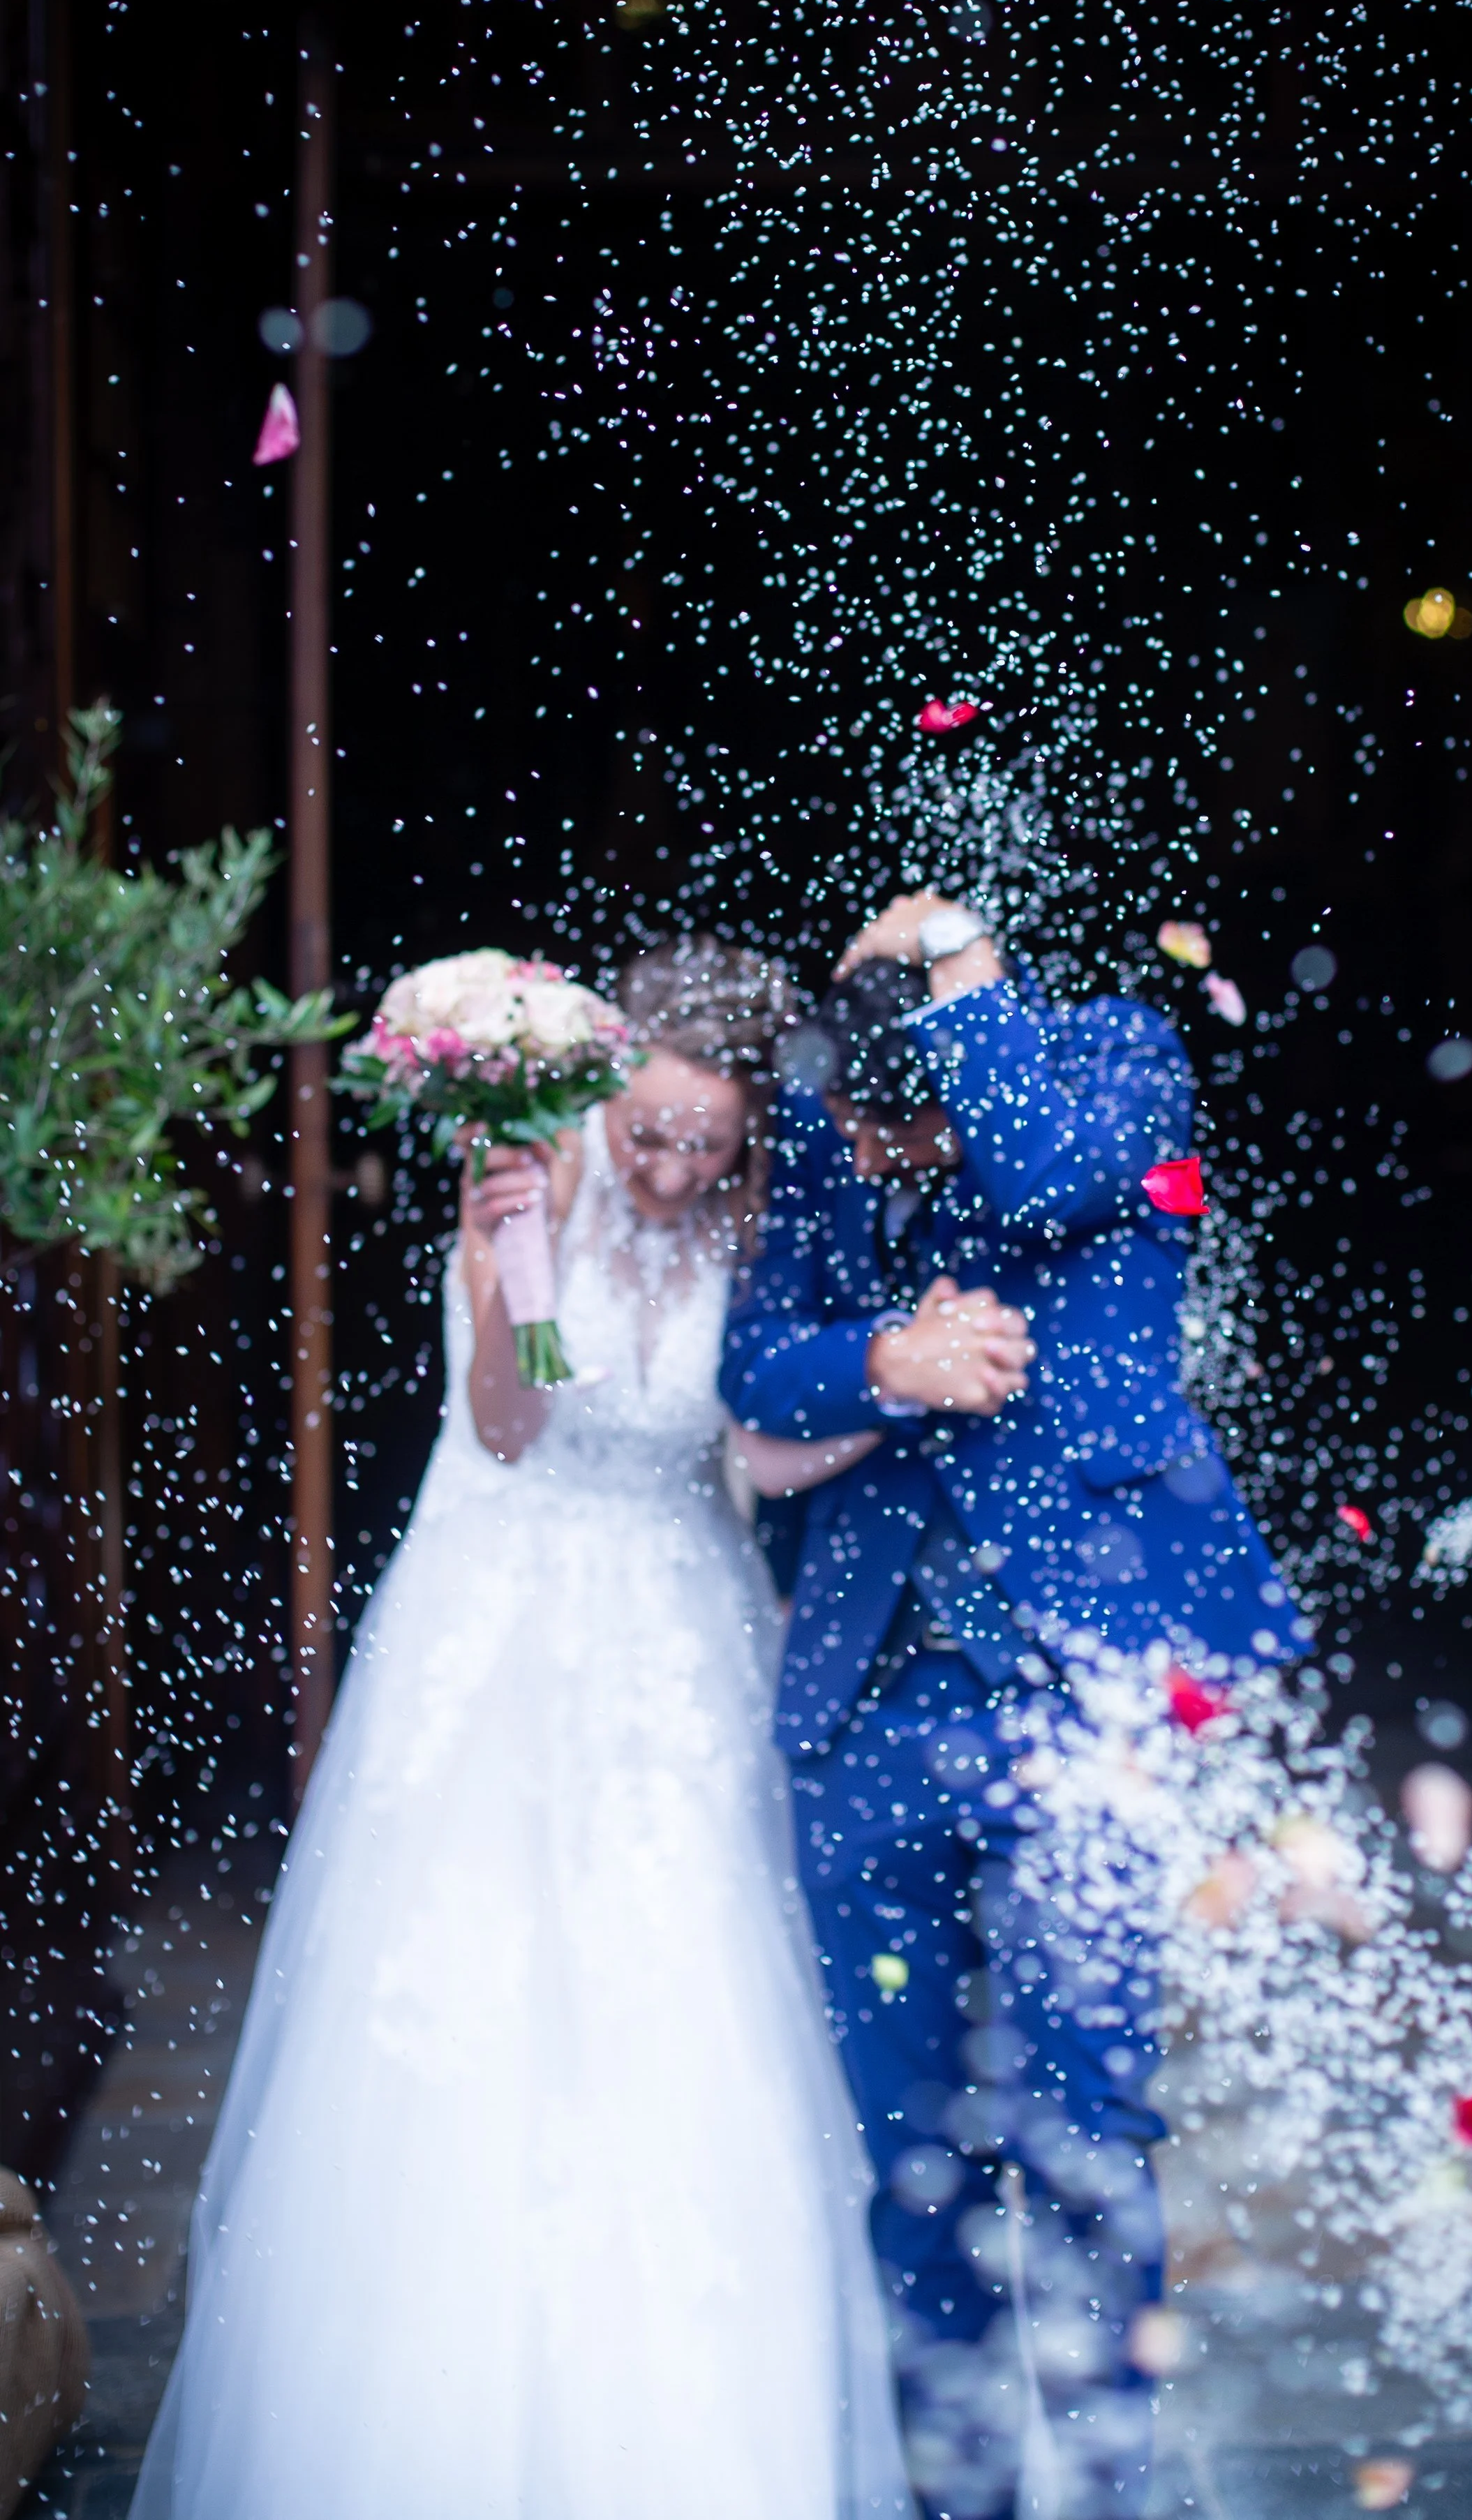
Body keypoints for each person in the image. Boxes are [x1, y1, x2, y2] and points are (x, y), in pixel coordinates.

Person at [131, 937, 913, 2520]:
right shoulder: (530, 1187)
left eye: (711, 1140)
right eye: (654, 1132)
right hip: (505, 1617)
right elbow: (509, 1420)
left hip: (682, 1635)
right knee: (473, 1983)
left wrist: (898, 1394)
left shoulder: (757, 1229)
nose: (678, 1166)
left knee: (686, 1990)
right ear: (609, 1082)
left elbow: (752, 1457)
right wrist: (515, 1273)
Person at [720, 892, 1309, 2520]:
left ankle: (1105, 2497)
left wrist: (961, 960)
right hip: (871, 1712)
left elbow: (1043, 1178)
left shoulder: (1112, 1064)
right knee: (912, 2165)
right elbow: (755, 1362)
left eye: (887, 1126)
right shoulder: (834, 1121)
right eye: (845, 1124)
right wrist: (880, 1366)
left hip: (1083, 1700)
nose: (864, 1154)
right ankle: (949, 2503)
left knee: (1087, 2133)